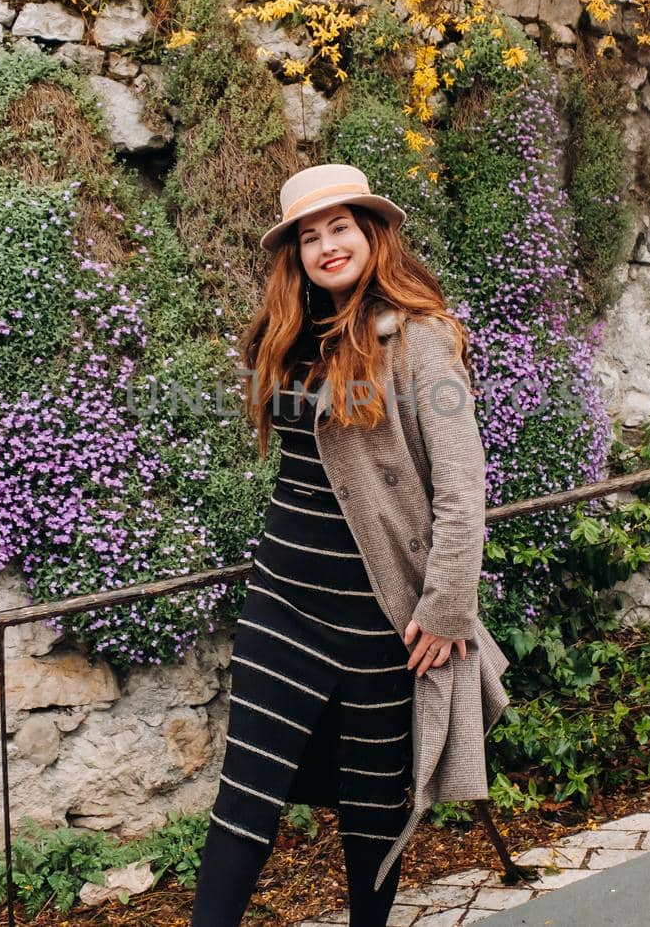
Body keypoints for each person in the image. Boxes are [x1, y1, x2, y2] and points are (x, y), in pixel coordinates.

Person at [190, 164, 511, 926]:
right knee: (244, 801)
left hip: (382, 618)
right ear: (294, 254)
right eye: (310, 235)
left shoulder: (422, 338)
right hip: (283, 605)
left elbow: (464, 488)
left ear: (371, 234)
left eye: (340, 227)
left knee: (372, 811)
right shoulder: (289, 336)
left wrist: (445, 610)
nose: (327, 245)